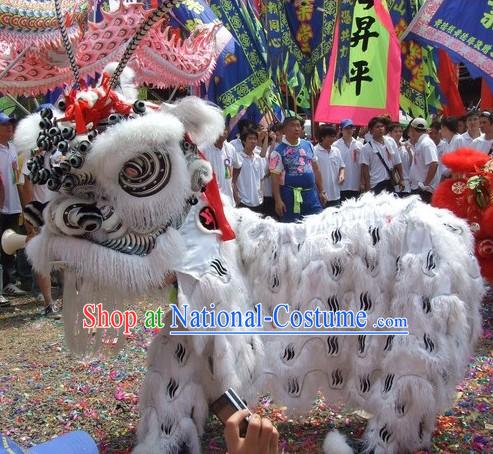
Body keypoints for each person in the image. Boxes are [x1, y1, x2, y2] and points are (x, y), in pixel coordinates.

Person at [269, 117, 326, 222]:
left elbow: (316, 169)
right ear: (284, 130)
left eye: (298, 126)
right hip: (290, 196)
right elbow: (274, 179)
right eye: (292, 126)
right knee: (292, 230)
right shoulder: (277, 152)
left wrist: (322, 191)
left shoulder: (308, 145)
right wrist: (278, 200)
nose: (296, 128)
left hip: (311, 194)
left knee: (317, 225)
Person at [0, 112, 26, 303]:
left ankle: (9, 282)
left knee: (9, 246)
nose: (10, 127)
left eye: (11, 124)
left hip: (13, 205)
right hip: (1, 206)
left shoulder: (12, 148)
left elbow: (18, 178)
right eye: (5, 125)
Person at [359, 116, 404, 195]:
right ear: (371, 130)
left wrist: (401, 179)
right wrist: (367, 187)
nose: (380, 129)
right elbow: (365, 169)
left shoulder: (391, 142)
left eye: (382, 126)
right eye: (377, 127)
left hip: (389, 181)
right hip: (375, 183)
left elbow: (397, 162)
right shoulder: (366, 147)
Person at [200, 129, 242, 206]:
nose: (223, 132)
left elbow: (238, 166)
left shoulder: (230, 148)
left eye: (225, 129)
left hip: (228, 200)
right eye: (220, 128)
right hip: (210, 202)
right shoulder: (203, 149)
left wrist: (233, 182)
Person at [233, 129, 267, 213]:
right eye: (250, 138)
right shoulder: (237, 158)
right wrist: (237, 197)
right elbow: (233, 180)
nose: (253, 141)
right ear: (244, 141)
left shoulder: (258, 158)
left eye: (255, 139)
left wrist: (261, 195)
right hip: (243, 202)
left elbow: (261, 178)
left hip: (258, 202)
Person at [408, 118, 439, 203]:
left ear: (412, 129)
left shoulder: (426, 143)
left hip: (424, 189)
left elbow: (434, 164)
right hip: (418, 188)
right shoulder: (421, 143)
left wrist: (425, 184)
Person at [314, 125, 345, 207]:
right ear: (322, 137)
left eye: (334, 137)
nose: (333, 139)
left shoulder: (336, 151)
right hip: (321, 195)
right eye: (330, 137)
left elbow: (342, 166)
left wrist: (342, 175)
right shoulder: (314, 151)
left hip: (336, 194)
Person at [334, 119, 363, 201]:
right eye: (346, 128)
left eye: (351, 128)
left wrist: (362, 181)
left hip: (355, 183)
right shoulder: (335, 146)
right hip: (341, 184)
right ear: (341, 130)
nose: (349, 130)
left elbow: (363, 164)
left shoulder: (359, 145)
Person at [388, 123, 412, 195]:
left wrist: (409, 152)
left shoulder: (405, 146)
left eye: (400, 131)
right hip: (392, 184)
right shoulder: (386, 148)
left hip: (406, 184)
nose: (398, 134)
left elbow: (411, 164)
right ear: (390, 133)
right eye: (395, 131)